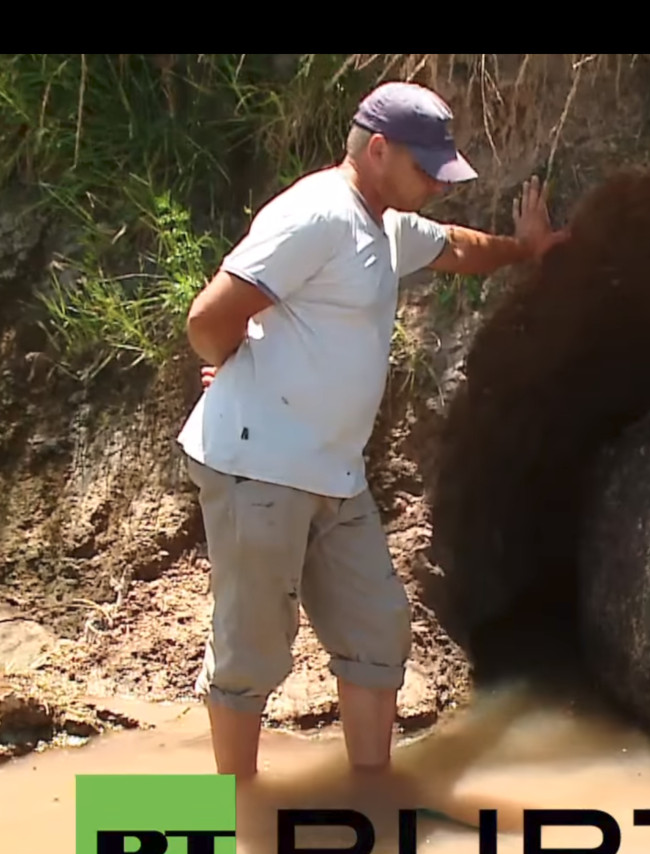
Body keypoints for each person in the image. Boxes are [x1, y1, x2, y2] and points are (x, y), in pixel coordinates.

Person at [177, 81, 570, 780]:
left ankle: (372, 797)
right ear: (378, 150)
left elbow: (454, 248)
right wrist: (234, 365)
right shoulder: (317, 216)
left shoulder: (381, 222)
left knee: (377, 630)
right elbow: (208, 318)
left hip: (334, 472)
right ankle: (229, 819)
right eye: (426, 171)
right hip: (259, 465)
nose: (437, 186)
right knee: (253, 650)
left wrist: (524, 250)